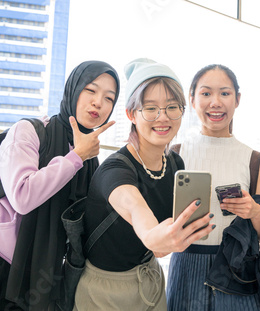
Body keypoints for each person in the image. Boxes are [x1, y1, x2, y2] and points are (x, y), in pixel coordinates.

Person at [0, 61, 120, 311]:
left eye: (109, 98)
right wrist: (75, 158)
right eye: (91, 90)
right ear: (73, 89)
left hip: (25, 278)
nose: (98, 102)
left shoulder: (91, 164)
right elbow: (22, 195)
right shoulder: (29, 131)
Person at [73, 58, 215, 311]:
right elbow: (134, 206)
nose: (163, 118)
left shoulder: (175, 164)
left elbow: (160, 248)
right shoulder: (115, 169)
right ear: (131, 114)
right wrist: (152, 236)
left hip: (150, 279)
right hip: (104, 291)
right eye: (150, 109)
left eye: (172, 107)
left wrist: (166, 241)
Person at [166, 64, 260, 310]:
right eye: (205, 93)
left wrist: (254, 211)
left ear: (237, 100)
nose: (215, 102)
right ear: (192, 100)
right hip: (185, 262)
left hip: (239, 266)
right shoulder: (173, 155)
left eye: (224, 93)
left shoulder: (254, 160)